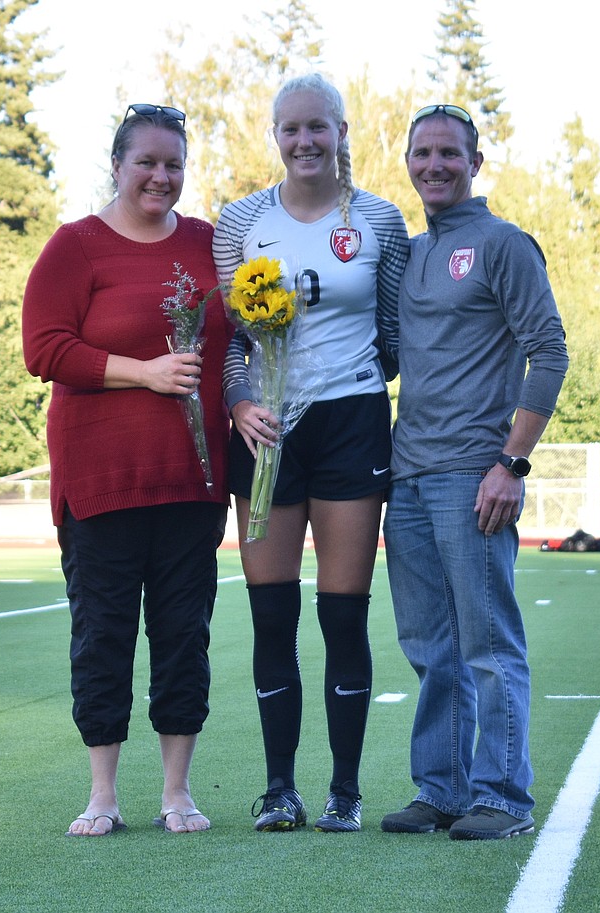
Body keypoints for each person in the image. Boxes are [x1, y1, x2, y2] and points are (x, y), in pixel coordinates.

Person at [22, 103, 233, 837]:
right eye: (146, 161)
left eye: (173, 164)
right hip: (100, 486)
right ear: (116, 164)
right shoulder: (75, 247)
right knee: (102, 636)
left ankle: (177, 791)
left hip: (190, 483)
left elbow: (238, 344)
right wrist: (142, 372)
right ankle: (103, 793)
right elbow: (44, 348)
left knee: (184, 638)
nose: (161, 176)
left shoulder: (211, 244)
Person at [212, 72, 410, 833]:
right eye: (290, 129)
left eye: (317, 127)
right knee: (271, 616)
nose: (304, 142)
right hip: (265, 433)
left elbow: (393, 336)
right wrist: (241, 402)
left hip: (351, 424)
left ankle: (345, 791)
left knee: (342, 617)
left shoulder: (381, 221)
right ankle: (279, 789)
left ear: (341, 131)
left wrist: (343, 382)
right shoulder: (241, 222)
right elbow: (230, 338)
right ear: (275, 136)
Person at [378, 104, 569, 841]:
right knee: (430, 646)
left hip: (474, 475)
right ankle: (442, 789)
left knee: (487, 642)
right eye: (422, 153)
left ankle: (504, 797)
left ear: (475, 162)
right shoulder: (417, 252)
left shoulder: (503, 243)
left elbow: (547, 352)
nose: (434, 165)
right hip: (410, 476)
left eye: (449, 153)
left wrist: (511, 463)